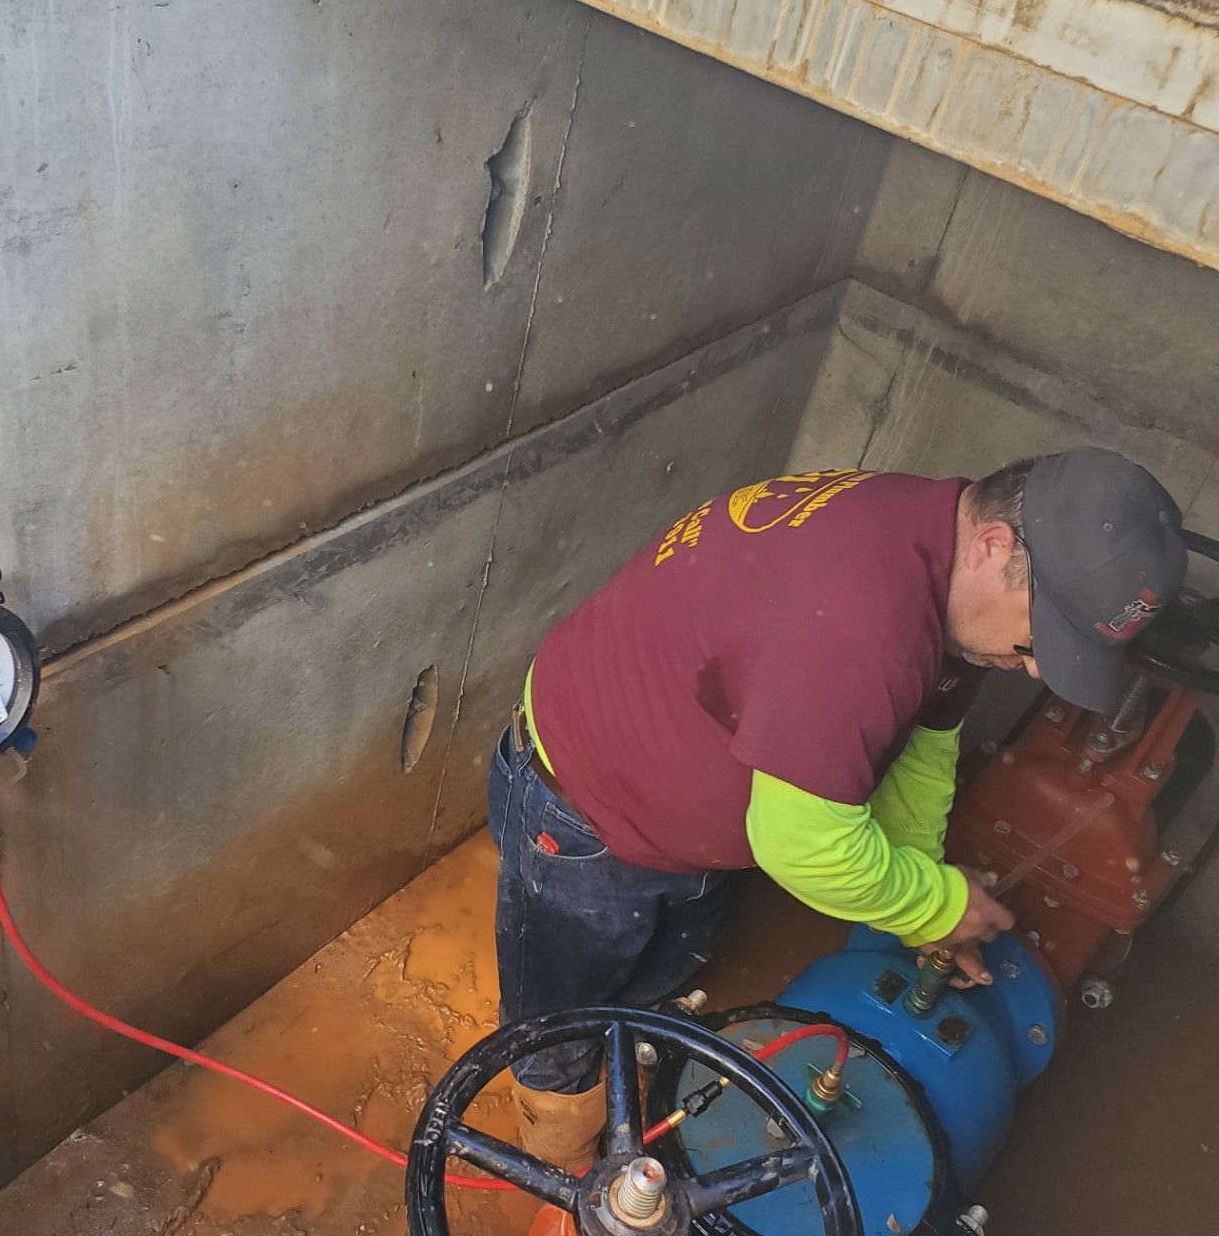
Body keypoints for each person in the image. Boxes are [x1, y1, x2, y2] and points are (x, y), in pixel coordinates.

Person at [488, 450, 1188, 1168]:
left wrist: (916, 879)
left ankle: (623, 1058)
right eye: (1042, 639)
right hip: (584, 812)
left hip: (693, 814)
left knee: (659, 972)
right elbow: (804, 847)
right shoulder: (866, 621)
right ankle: (559, 1162)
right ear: (994, 547)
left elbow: (925, 740)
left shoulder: (939, 559)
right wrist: (934, 907)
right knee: (555, 1032)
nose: (1038, 667)